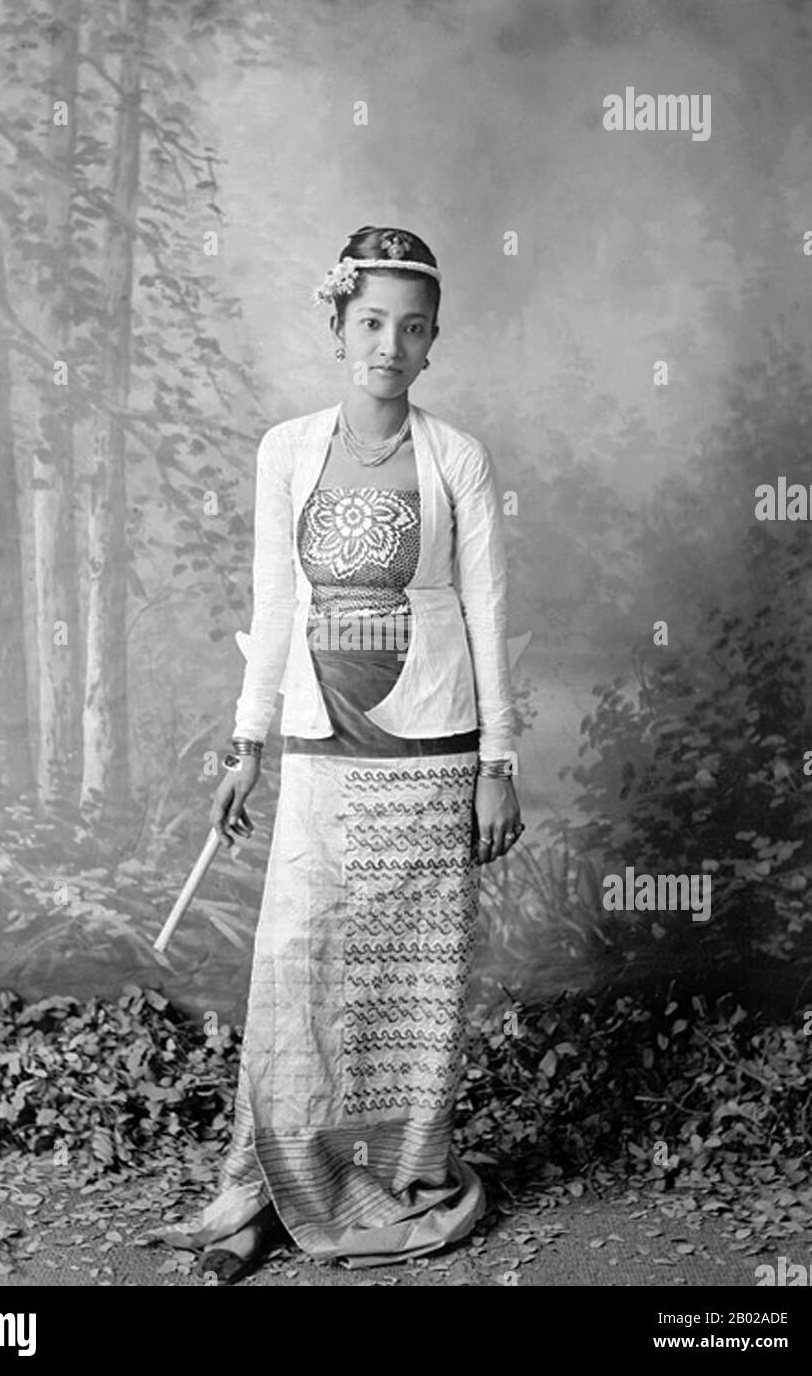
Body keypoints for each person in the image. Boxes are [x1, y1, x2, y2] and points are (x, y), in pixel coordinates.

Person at [154, 225, 523, 1282]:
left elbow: (489, 617)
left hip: (430, 753)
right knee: (292, 969)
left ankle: (389, 1176)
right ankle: (262, 1185)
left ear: (432, 342)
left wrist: (496, 762)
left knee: (405, 988)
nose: (388, 345)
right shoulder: (284, 450)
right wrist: (246, 746)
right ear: (335, 326)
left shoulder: (456, 459)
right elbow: (272, 611)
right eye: (370, 322)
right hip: (324, 751)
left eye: (411, 328)